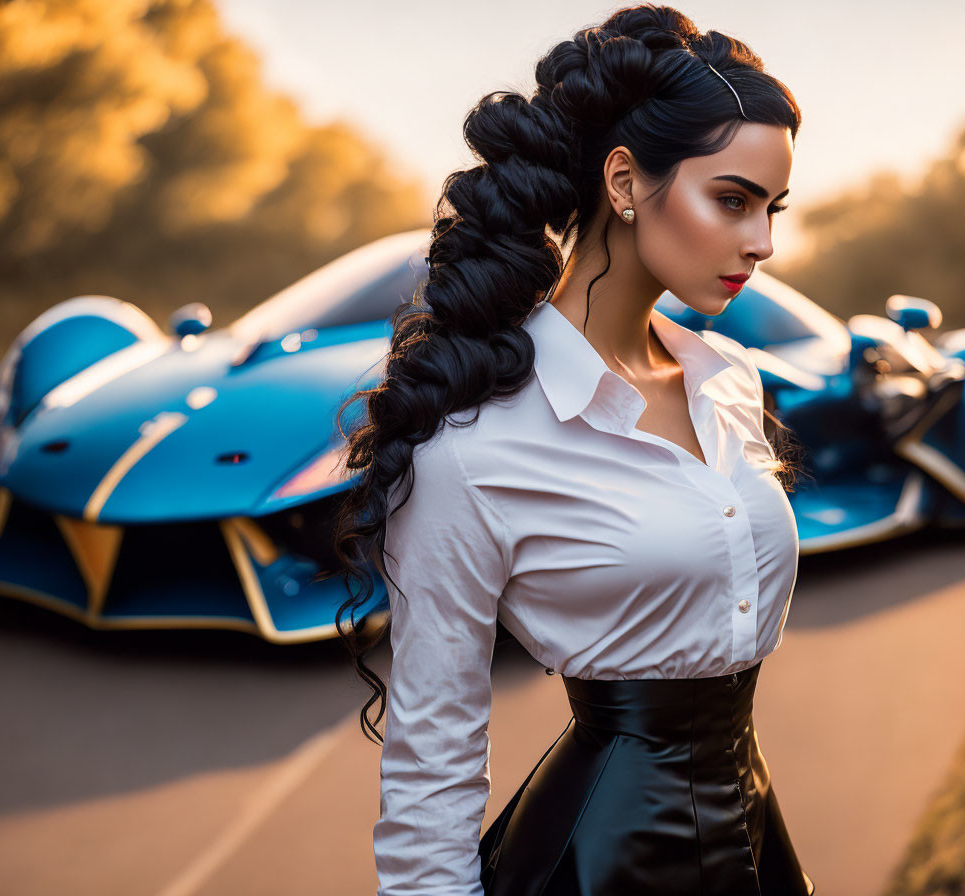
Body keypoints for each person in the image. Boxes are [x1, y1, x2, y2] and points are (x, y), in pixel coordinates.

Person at [327, 4, 814, 893]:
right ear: (625, 181)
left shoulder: (730, 380)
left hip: (755, 840)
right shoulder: (473, 447)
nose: (763, 242)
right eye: (734, 201)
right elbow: (430, 759)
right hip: (594, 863)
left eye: (773, 208)